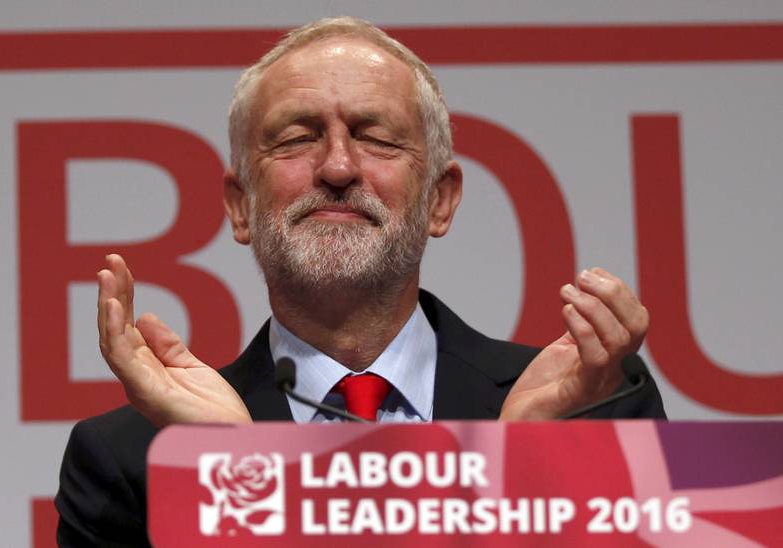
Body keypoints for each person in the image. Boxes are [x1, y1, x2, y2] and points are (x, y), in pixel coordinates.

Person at [56, 16, 665, 546]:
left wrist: (512, 470)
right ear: (241, 207)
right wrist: (241, 471)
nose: (339, 167)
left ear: (441, 201)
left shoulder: (595, 412)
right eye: (297, 138)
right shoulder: (132, 458)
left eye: (375, 137)